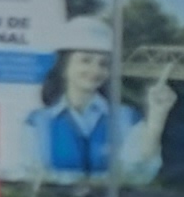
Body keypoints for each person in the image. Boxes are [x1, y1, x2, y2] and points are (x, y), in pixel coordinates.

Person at [35, 28, 175, 182]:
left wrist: (157, 115)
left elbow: (140, 172)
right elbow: (29, 175)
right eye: (85, 60)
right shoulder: (37, 121)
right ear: (63, 67)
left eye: (103, 64)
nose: (95, 70)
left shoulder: (127, 117)